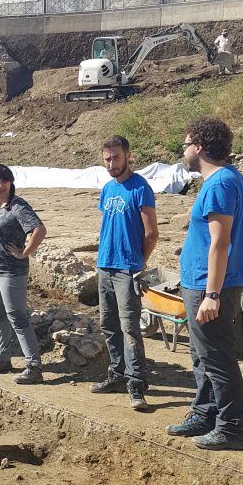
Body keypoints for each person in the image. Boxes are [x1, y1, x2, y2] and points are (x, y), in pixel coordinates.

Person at [167, 117, 243, 450]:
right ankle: (206, 413)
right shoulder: (229, 179)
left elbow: (220, 243)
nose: (184, 149)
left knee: (216, 356)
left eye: (186, 144)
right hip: (202, 283)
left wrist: (212, 294)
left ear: (200, 146)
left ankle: (231, 427)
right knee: (202, 354)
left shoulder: (219, 184)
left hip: (209, 285)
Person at [91, 136, 159, 411]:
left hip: (126, 269)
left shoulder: (140, 188)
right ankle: (117, 374)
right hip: (104, 265)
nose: (111, 164)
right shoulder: (107, 189)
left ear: (128, 156)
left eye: (116, 158)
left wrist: (139, 263)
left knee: (130, 326)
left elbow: (151, 233)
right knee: (109, 324)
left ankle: (137, 383)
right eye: (107, 159)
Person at [0, 163, 47, 384]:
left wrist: (24, 253)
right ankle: (3, 358)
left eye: (2, 181)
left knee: (17, 317)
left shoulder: (18, 206)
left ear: (10, 182)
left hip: (11, 270)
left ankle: (34, 366)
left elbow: (39, 229)